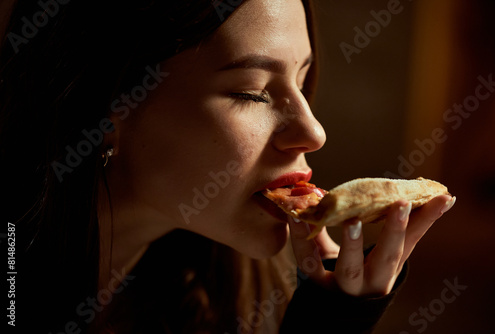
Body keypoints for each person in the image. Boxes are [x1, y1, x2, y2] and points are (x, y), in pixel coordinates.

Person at [0, 0, 455, 333]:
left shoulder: (227, 298)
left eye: (302, 80)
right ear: (101, 111)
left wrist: (331, 322)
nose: (313, 132)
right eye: (252, 92)